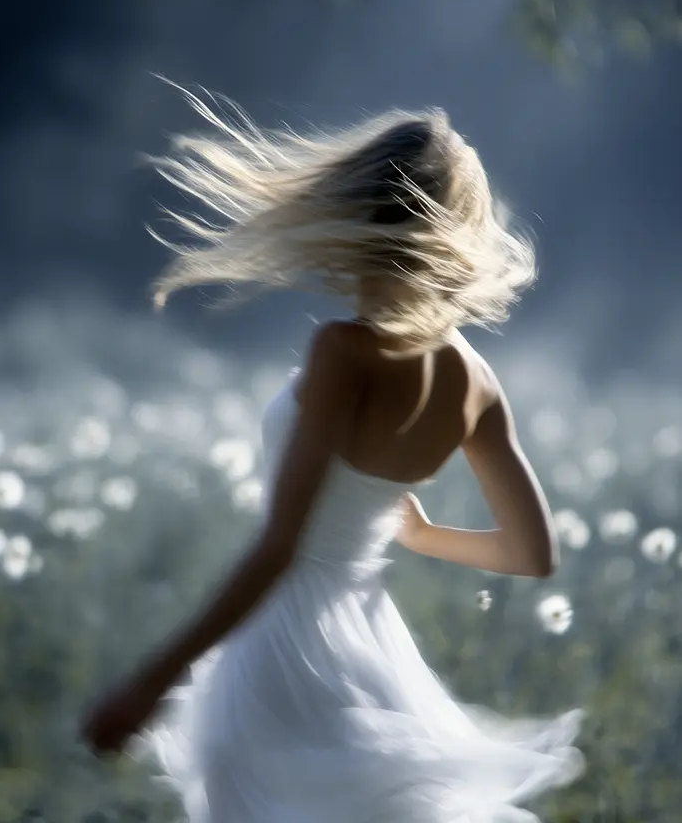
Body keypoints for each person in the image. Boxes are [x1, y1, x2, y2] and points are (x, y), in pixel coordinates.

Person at [81, 86, 583, 821]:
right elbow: (532, 552)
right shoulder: (476, 381)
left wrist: (151, 682)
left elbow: (280, 547)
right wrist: (419, 535)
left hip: (281, 654)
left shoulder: (343, 354)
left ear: (361, 212)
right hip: (373, 651)